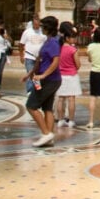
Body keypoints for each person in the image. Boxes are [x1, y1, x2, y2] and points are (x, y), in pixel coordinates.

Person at [22, 16, 61, 147]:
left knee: (31, 106)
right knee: (47, 108)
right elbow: (39, 60)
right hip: (46, 79)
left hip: (49, 80)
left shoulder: (53, 43)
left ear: (48, 28)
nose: (41, 28)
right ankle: (49, 136)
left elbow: (56, 61)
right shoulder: (47, 41)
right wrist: (30, 74)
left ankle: (46, 133)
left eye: (43, 26)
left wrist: (43, 75)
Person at [55, 21, 81, 127]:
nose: (74, 39)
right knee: (71, 98)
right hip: (71, 75)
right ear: (67, 38)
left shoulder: (58, 49)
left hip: (60, 75)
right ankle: (71, 120)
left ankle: (60, 120)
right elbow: (78, 64)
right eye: (72, 37)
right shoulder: (73, 50)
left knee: (60, 98)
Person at [19, 16, 46, 94]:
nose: (37, 25)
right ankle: (30, 91)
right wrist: (21, 55)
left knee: (37, 75)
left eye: (38, 23)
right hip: (29, 56)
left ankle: (37, 89)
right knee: (30, 73)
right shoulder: (27, 32)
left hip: (40, 57)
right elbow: (21, 44)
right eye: (35, 23)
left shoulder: (42, 32)